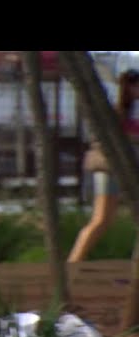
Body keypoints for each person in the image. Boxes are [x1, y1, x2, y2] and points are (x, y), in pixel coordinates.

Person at [68, 69, 139, 263]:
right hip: (110, 169)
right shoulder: (116, 112)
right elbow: (111, 138)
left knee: (104, 219)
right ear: (130, 87)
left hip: (125, 169)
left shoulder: (129, 111)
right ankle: (74, 262)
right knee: (102, 219)